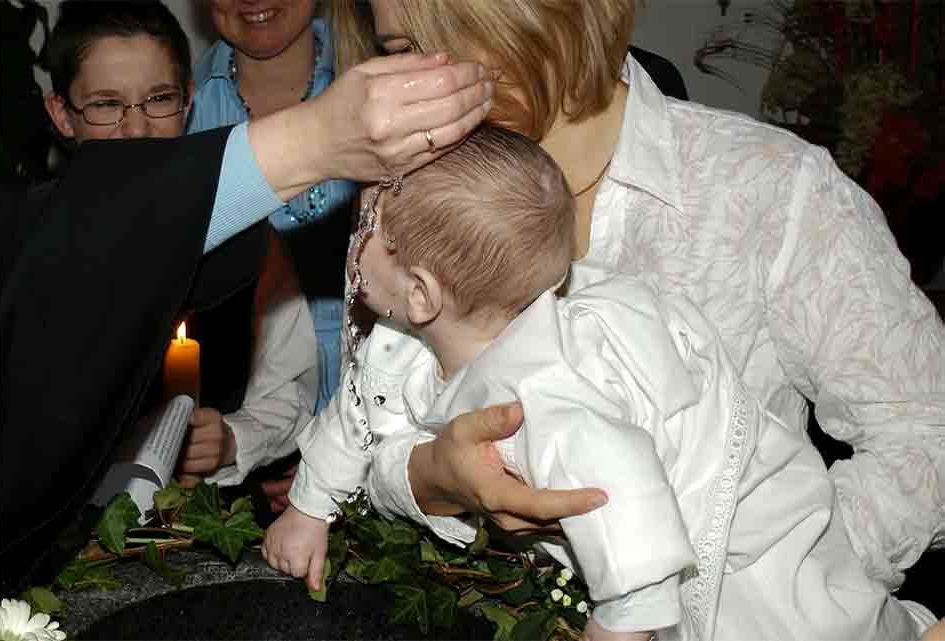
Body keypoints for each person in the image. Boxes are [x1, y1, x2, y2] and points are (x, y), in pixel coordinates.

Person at [327, 0, 945, 600]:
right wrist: (429, 480)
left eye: (449, 33)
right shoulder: (400, 196)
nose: (420, 86)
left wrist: (767, 590)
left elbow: (925, 437)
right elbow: (363, 419)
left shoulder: (768, 190)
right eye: (401, 51)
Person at [261, 125, 936, 640]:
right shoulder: (403, 338)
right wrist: (309, 507)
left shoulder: (545, 397)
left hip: (738, 530)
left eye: (372, 227)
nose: (355, 236)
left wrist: (616, 627)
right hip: (661, 515)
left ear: (421, 292)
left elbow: (629, 511)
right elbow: (358, 412)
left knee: (801, 623)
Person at [0, 0, 497, 595]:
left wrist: (237, 438)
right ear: (62, 112)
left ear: (185, 101)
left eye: (158, 102)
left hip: (208, 536)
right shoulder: (30, 251)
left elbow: (290, 383)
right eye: (106, 106)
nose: (135, 128)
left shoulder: (247, 241)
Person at [177, 0, 358, 513]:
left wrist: (340, 462)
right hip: (252, 414)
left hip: (385, 391)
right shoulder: (179, 106)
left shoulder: (373, 78)